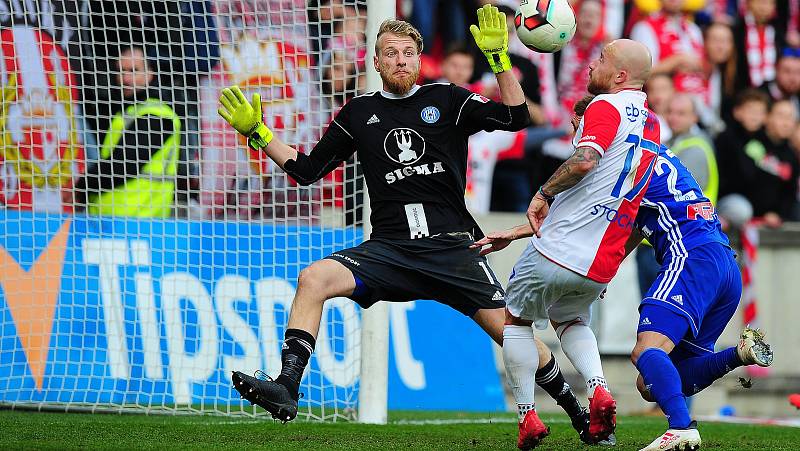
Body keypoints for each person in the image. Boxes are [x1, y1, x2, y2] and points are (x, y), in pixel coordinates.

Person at [217, 7, 598, 446]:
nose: (400, 59)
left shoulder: (448, 99)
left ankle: (577, 411)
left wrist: (499, 61)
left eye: (408, 53)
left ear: (419, 61)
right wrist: (260, 132)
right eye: (390, 53)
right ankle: (286, 387)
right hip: (391, 250)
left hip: (454, 249)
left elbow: (516, 118)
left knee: (513, 335)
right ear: (375, 63)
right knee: (313, 278)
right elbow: (306, 170)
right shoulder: (357, 113)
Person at [473, 39, 658, 447]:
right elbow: (628, 201)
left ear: (621, 76)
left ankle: (527, 416)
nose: (593, 64)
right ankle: (599, 389)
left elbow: (585, 161)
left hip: (555, 249)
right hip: (600, 260)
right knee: (572, 319)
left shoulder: (605, 107)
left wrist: (542, 194)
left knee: (516, 322)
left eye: (602, 60)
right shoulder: (651, 124)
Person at [75, 45, 181, 218]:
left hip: (137, 224)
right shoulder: (128, 112)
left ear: (150, 74)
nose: (125, 79)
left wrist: (81, 185)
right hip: (110, 222)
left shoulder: (157, 116)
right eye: (121, 71)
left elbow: (122, 165)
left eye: (133, 71)